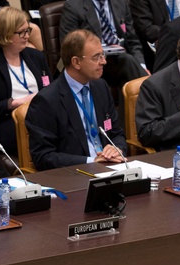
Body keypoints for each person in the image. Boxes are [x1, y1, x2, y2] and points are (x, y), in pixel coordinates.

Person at [25, 30, 127, 171]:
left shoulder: (101, 87)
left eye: (102, 55)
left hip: (111, 167)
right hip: (75, 174)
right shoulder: (47, 101)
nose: (103, 61)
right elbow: (43, 156)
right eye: (96, 57)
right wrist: (91, 161)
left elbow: (116, 133)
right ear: (76, 62)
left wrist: (117, 149)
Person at [0, 7, 51, 155]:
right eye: (21, 32)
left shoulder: (36, 57)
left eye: (28, 31)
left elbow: (50, 87)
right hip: (9, 123)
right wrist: (16, 103)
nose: (26, 36)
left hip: (43, 117)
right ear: (5, 33)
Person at [61, 0, 148, 86]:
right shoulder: (74, 7)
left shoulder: (120, 2)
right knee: (127, 62)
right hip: (93, 63)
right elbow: (68, 46)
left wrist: (141, 65)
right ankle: (150, 91)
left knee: (129, 63)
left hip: (120, 60)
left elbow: (132, 40)